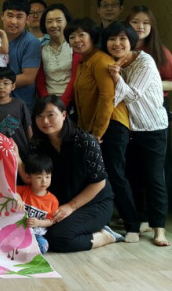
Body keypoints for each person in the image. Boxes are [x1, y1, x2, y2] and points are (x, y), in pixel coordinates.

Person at [66, 18, 137, 240]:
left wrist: (97, 133)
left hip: (111, 125)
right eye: (72, 37)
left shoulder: (101, 60)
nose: (76, 40)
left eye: (81, 35)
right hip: (95, 128)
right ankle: (102, 221)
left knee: (115, 174)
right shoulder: (84, 62)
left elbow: (108, 98)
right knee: (97, 176)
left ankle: (133, 225)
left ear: (93, 37)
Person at [103, 21, 170, 246]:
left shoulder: (145, 62)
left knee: (154, 178)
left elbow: (131, 96)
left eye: (122, 39)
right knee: (133, 176)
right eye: (112, 39)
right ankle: (142, 220)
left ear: (132, 41)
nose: (117, 43)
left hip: (153, 127)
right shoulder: (113, 62)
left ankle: (159, 229)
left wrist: (116, 76)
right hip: (130, 127)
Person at [28, 96, 124, 252]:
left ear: (64, 115)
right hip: (61, 204)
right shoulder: (37, 145)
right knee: (41, 233)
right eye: (39, 116)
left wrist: (71, 206)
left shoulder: (85, 141)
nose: (45, 121)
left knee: (58, 238)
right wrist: (16, 157)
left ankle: (106, 235)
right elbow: (31, 176)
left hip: (94, 203)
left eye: (50, 115)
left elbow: (99, 182)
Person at [129, 6, 172, 210]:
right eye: (135, 22)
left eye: (146, 23)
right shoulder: (121, 47)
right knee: (133, 164)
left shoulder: (160, 51)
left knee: (155, 168)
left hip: (154, 111)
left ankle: (158, 214)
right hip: (130, 111)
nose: (140, 27)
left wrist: (147, 84)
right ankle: (138, 213)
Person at [0, 67, 32, 158]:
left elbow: (27, 126)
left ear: (13, 86)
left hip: (22, 150)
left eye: (6, 83)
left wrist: (31, 145)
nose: (1, 87)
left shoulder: (20, 104)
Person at [35, 4, 80, 109]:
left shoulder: (75, 48)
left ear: (67, 22)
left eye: (59, 20)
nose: (54, 25)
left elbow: (75, 78)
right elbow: (40, 81)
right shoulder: (41, 50)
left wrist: (62, 104)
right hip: (48, 104)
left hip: (73, 102)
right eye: (49, 21)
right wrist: (48, 104)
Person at [2, 0, 41, 110]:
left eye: (19, 17)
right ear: (2, 16)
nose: (14, 21)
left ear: (27, 19)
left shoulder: (31, 42)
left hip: (21, 106)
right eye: (10, 15)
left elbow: (28, 78)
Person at [15, 154, 59, 254]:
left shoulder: (52, 200)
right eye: (39, 177)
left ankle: (24, 250)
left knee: (43, 245)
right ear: (29, 177)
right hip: (18, 230)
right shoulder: (24, 191)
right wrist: (18, 198)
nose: (44, 181)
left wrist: (38, 223)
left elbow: (51, 221)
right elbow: (11, 191)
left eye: (47, 177)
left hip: (36, 234)